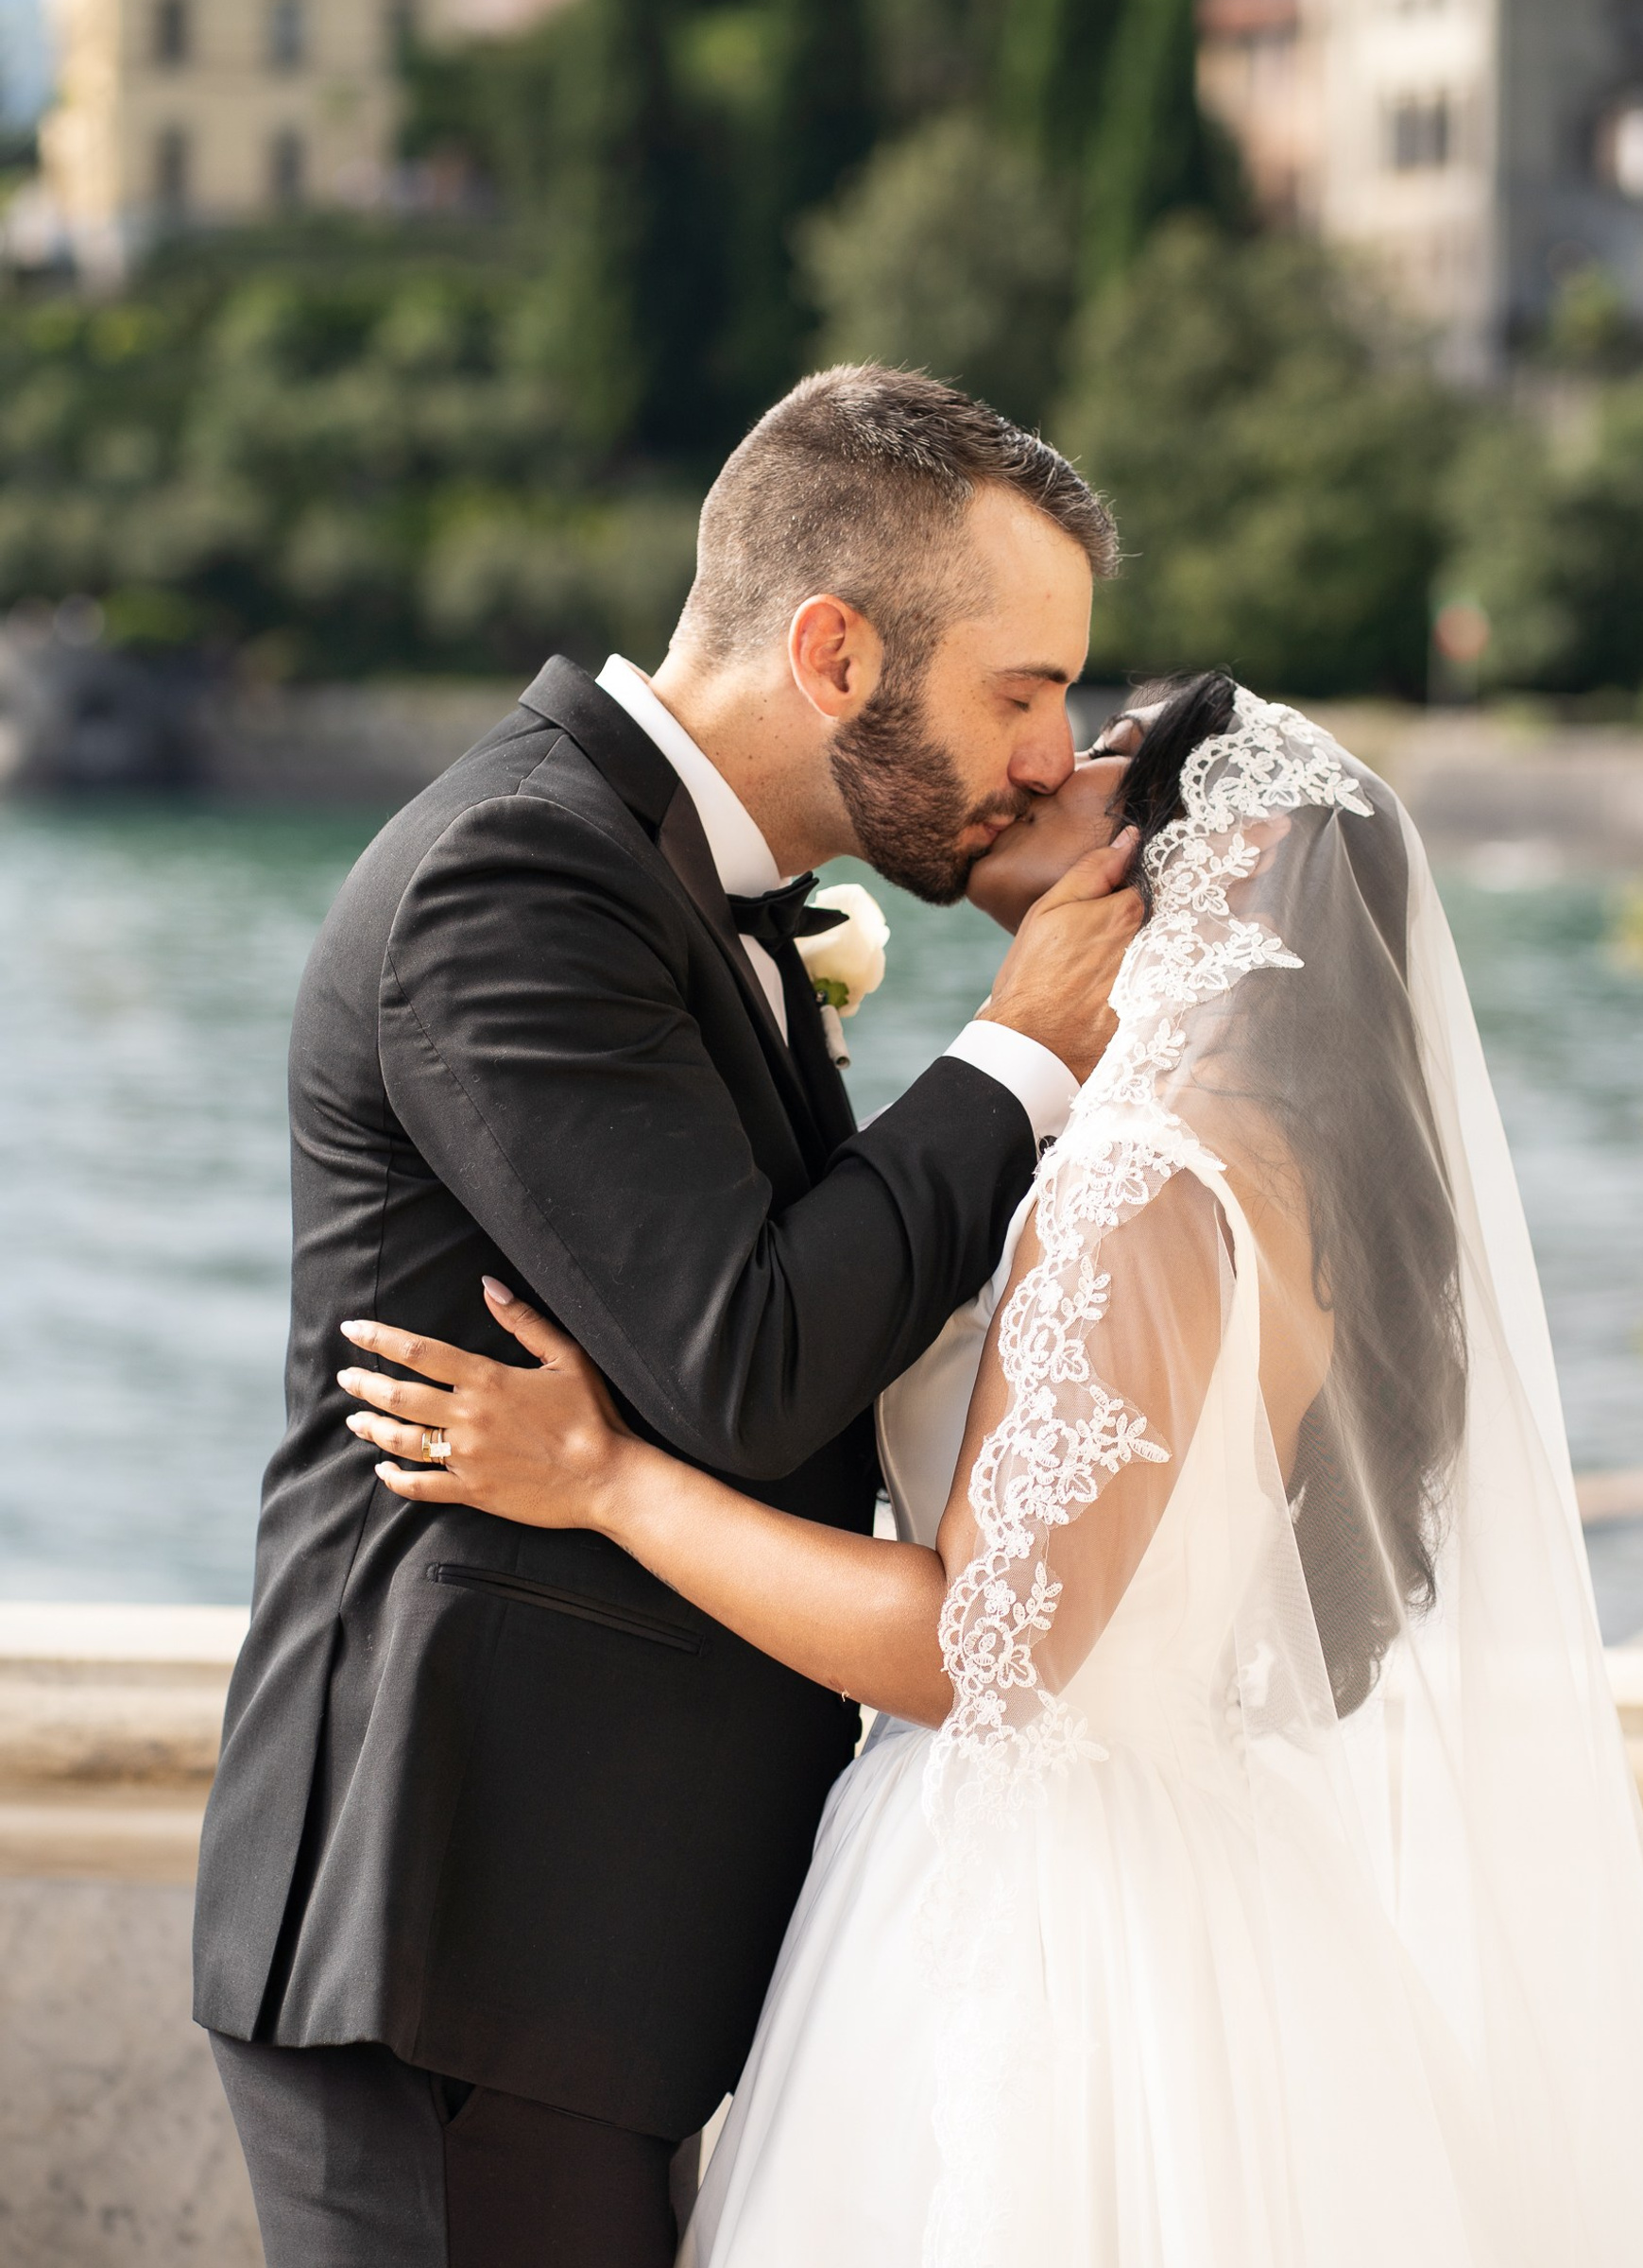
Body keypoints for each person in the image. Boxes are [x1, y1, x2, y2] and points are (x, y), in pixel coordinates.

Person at [343, 675, 1643, 2267]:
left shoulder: (1148, 1182)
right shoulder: (1271, 1173)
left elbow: (975, 1652)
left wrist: (605, 1478)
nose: (1045, 767)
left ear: (1234, 845)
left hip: (1037, 1920)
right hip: (1181, 1874)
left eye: (1105, 753)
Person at [192, 364, 1145, 2268]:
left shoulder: (694, 888)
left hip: (575, 1948)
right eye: (1019, 692)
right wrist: (1022, 1049)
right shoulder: (518, 877)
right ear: (834, 652)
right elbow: (747, 1361)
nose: (1051, 755)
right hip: (456, 1929)